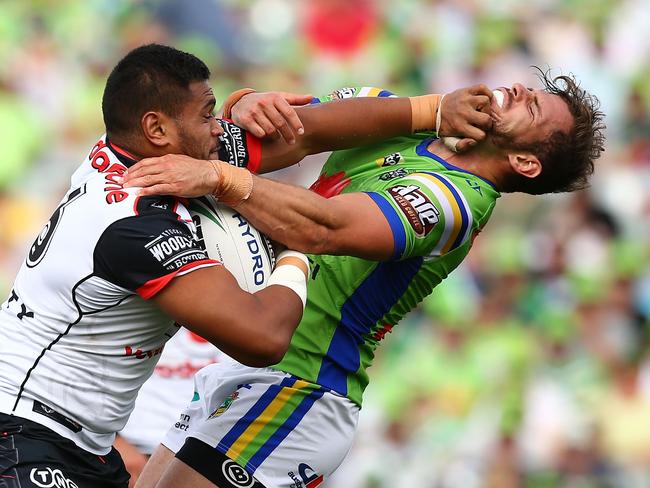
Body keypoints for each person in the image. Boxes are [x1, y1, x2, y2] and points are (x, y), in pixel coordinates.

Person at [0, 43, 493, 487]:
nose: (221, 128)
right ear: (157, 128)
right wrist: (297, 248)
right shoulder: (137, 223)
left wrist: (434, 110)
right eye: (209, 115)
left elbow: (303, 135)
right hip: (25, 439)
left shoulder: (145, 160)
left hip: (76, 445)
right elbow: (263, 336)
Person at [123, 72, 606, 488]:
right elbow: (276, 134)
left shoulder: (455, 203)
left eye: (533, 106)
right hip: (243, 367)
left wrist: (219, 179)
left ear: (525, 163)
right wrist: (246, 103)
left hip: (301, 388)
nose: (519, 89)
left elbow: (323, 227)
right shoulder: (398, 115)